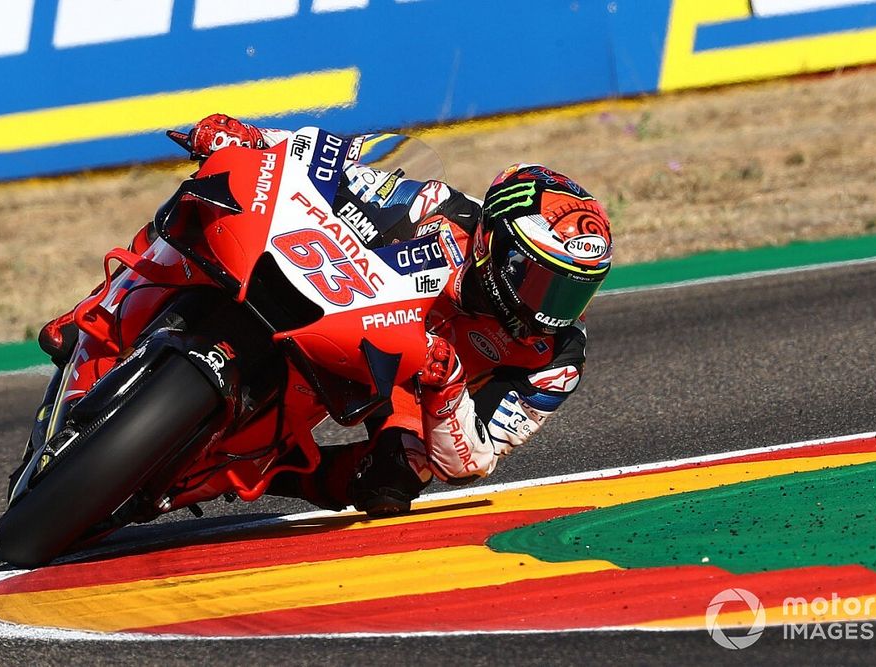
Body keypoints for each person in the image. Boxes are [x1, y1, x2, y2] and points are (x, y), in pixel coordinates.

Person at [42, 113, 615, 517]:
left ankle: (254, 473)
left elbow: (471, 461)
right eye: (542, 280)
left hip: (416, 390)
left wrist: (446, 381)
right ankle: (95, 309)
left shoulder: (557, 358)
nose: (550, 308)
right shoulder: (436, 208)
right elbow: (332, 167)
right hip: (347, 310)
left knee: (390, 480)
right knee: (210, 196)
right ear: (495, 242)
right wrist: (248, 138)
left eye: (572, 292)